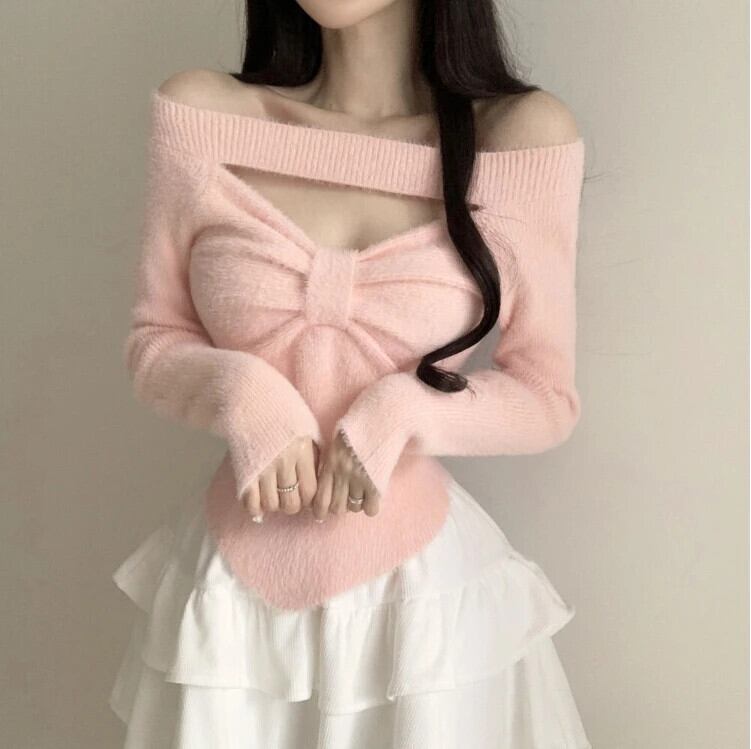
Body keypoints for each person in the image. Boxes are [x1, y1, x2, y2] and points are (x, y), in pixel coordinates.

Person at [108, 1, 592, 746]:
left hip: (423, 614)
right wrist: (244, 394)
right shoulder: (203, 113)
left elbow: (544, 395)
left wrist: (404, 410)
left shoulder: (518, 137)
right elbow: (156, 341)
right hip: (227, 613)